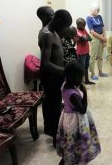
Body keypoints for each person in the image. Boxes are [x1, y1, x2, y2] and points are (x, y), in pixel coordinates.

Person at [38, 9, 72, 146]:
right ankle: (56, 139)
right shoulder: (46, 34)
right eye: (64, 26)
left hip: (56, 76)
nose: (64, 29)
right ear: (58, 21)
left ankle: (55, 132)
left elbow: (56, 55)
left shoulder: (54, 32)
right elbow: (45, 64)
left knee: (56, 105)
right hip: (50, 78)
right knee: (53, 108)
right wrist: (65, 71)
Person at [56, 61, 101, 165]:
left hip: (67, 117)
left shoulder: (65, 85)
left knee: (69, 144)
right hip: (75, 122)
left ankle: (68, 159)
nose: (82, 79)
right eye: (81, 77)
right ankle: (74, 160)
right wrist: (85, 92)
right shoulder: (73, 94)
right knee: (76, 143)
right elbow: (83, 109)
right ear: (74, 77)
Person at [86, 2, 108, 80]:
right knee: (93, 57)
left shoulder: (99, 17)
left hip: (101, 36)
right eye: (95, 10)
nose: (96, 12)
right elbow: (92, 32)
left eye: (97, 10)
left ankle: (100, 72)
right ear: (92, 10)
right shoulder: (88, 18)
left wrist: (105, 38)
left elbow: (102, 27)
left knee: (100, 56)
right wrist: (102, 39)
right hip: (94, 38)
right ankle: (92, 74)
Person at [75, 18, 95, 84]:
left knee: (86, 68)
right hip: (81, 54)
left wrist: (83, 38)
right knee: (81, 69)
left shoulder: (83, 30)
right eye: (83, 25)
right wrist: (84, 38)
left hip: (86, 52)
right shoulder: (77, 31)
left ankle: (86, 80)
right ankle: (80, 82)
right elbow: (85, 38)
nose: (84, 27)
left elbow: (90, 38)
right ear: (78, 25)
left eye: (84, 25)